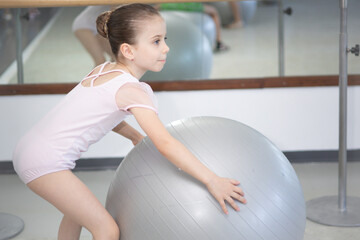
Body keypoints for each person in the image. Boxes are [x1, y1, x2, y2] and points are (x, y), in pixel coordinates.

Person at [13, 4, 246, 240]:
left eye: (164, 38)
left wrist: (134, 135)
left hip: (30, 149)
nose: (166, 47)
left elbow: (102, 115)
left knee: (75, 213)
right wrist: (212, 180)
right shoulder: (132, 90)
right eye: (156, 41)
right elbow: (165, 143)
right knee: (107, 229)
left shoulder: (104, 70)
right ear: (128, 50)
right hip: (45, 163)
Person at [156, 2, 229, 52]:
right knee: (214, 12)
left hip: (169, 5)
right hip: (190, 6)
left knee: (153, 10)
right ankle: (219, 42)